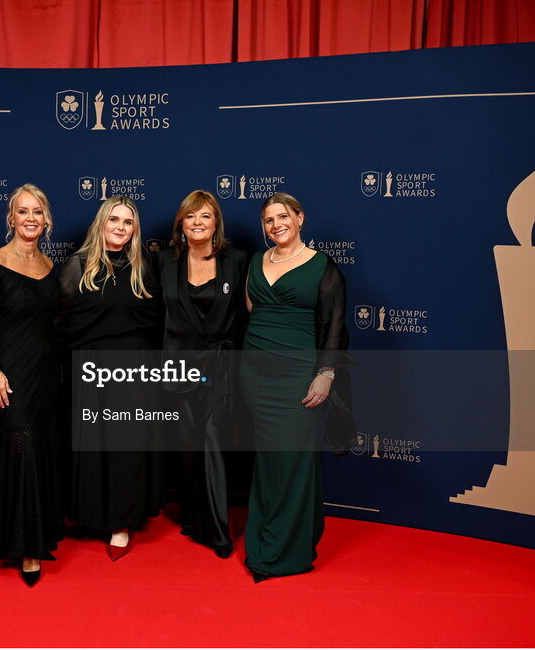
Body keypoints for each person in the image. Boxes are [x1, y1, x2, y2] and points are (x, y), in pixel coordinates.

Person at [240, 192, 352, 581]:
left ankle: (288, 548)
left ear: (300, 218)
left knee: (293, 460)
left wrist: (326, 373)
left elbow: (335, 323)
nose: (276, 225)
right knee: (269, 460)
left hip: (298, 375)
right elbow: (253, 310)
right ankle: (265, 536)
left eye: (283, 217)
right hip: (255, 373)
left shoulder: (323, 266)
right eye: (269, 220)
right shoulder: (257, 260)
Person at [57, 195, 163, 560]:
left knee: (126, 444)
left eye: (128, 222)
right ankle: (91, 513)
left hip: (133, 366)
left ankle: (121, 522)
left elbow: (155, 319)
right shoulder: (77, 265)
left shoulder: (143, 267)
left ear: (135, 229)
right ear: (101, 223)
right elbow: (60, 321)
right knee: (92, 442)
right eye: (114, 219)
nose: (120, 227)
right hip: (89, 365)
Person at [0, 183, 63, 587]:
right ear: (11, 218)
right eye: (22, 211)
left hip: (47, 374)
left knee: (39, 452)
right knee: (20, 448)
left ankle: (30, 535)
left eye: (37, 212)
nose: (30, 218)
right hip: (11, 374)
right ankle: (26, 549)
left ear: (46, 220)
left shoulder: (48, 265)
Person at [156, 190, 247, 558]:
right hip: (176, 367)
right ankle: (192, 518)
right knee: (187, 448)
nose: (198, 222)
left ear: (215, 223)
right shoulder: (163, 261)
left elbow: (250, 314)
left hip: (219, 369)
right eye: (191, 216)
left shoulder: (237, 259)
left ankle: (216, 530)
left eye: (205, 216)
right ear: (181, 223)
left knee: (211, 441)